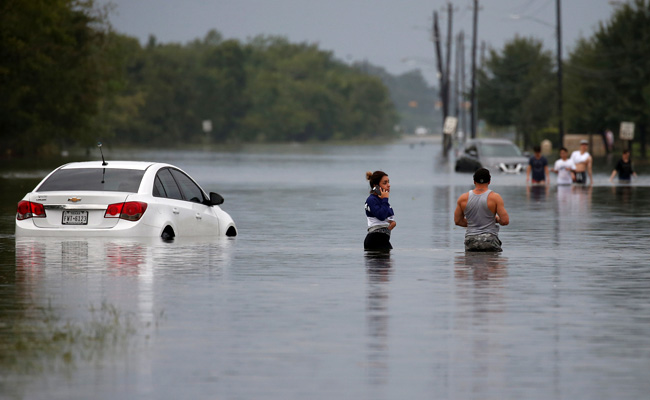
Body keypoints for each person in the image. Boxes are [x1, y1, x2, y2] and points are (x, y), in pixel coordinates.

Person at [454, 168, 509, 252]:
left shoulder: (463, 198)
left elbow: (457, 221)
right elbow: (505, 221)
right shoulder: (495, 197)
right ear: (489, 181)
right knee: (496, 263)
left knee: (471, 262)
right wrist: (497, 219)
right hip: (489, 240)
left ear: (474, 181)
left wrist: (475, 223)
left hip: (471, 240)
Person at [364, 171, 396, 250]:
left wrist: (392, 224)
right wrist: (385, 199)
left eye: (388, 182)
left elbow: (386, 217)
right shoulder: (372, 200)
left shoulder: (382, 201)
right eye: (385, 183)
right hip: (375, 239)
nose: (389, 185)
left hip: (382, 239)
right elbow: (381, 216)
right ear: (376, 186)